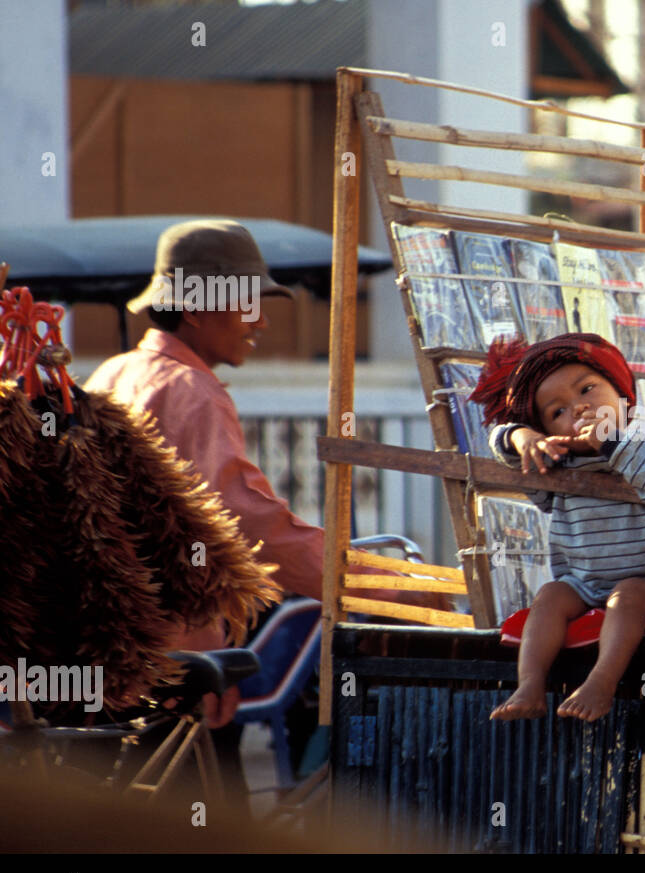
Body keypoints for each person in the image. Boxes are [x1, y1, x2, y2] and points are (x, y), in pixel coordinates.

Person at [85, 220, 441, 727]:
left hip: (113, 648)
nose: (260, 323)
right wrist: (391, 585)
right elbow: (250, 532)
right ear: (195, 307)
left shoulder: (114, 372)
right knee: (200, 801)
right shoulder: (193, 391)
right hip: (172, 660)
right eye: (247, 304)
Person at [470, 333, 645, 722]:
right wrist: (521, 437)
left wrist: (613, 444)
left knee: (624, 598)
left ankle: (601, 682)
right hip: (583, 583)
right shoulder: (557, 467)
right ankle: (530, 683)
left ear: (623, 396)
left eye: (588, 389)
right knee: (550, 596)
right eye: (558, 411)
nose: (580, 408)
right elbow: (500, 444)